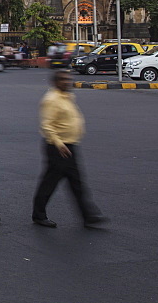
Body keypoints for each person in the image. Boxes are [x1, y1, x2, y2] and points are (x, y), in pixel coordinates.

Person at [32, 70, 109, 228]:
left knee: (75, 183)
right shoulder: (52, 100)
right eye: (63, 79)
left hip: (69, 145)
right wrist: (59, 144)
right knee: (51, 182)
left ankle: (88, 215)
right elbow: (47, 125)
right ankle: (39, 215)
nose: (67, 82)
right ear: (55, 82)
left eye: (68, 79)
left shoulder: (66, 96)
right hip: (58, 147)